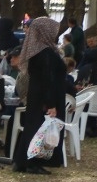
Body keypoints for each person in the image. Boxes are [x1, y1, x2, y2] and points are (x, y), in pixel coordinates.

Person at [14, 16, 68, 173]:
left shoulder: (39, 50)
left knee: (34, 126)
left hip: (37, 95)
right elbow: (47, 79)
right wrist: (51, 104)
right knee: (38, 128)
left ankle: (24, 160)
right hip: (45, 97)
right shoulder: (45, 53)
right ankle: (33, 162)